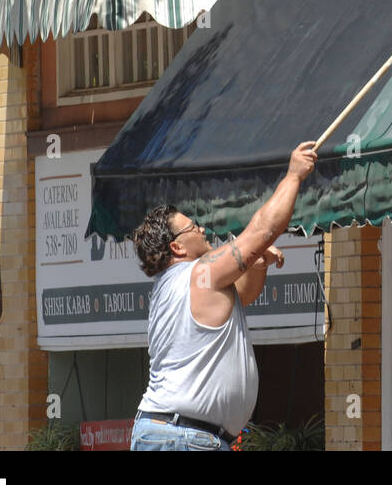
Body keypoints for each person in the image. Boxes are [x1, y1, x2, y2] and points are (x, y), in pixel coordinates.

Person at [128, 141, 318, 451]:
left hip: (176, 433)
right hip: (184, 437)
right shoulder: (200, 273)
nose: (202, 230)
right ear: (177, 247)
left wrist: (255, 265)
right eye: (193, 227)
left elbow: (241, 297)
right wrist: (294, 176)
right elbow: (262, 229)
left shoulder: (177, 285)